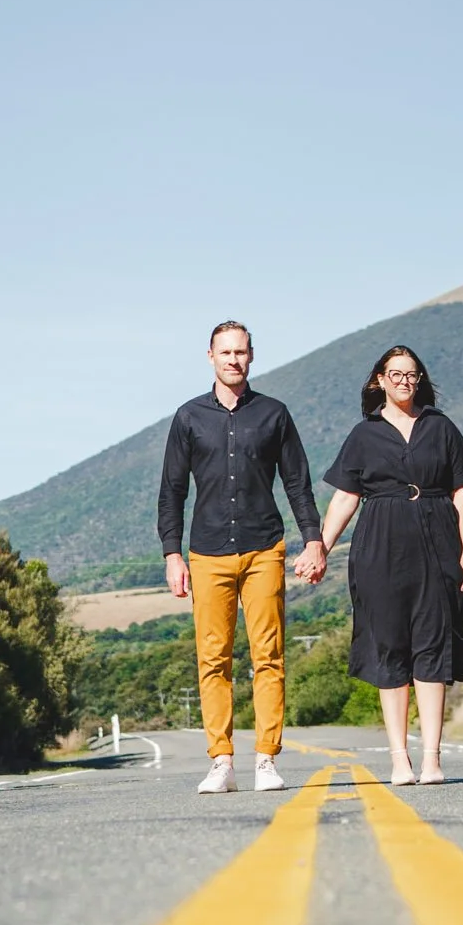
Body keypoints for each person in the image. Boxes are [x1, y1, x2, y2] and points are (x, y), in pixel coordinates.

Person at [158, 320, 326, 796]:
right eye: (225, 352)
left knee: (267, 657)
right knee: (213, 660)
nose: (234, 360)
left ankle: (267, 760)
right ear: (210, 356)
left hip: (264, 549)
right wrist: (173, 554)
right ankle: (222, 761)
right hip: (206, 552)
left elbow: (298, 483)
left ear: (252, 356)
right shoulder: (188, 417)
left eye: (241, 352)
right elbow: (171, 491)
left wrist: (312, 539)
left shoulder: (274, 414)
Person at [316, 345, 463, 785]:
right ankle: (399, 760)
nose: (405, 382)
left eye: (412, 375)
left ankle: (431, 759)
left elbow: (462, 492)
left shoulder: (440, 426)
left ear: (420, 379)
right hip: (380, 547)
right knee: (390, 648)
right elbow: (345, 498)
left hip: (438, 541)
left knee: (433, 648)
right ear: (379, 381)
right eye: (396, 375)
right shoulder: (363, 434)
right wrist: (320, 546)